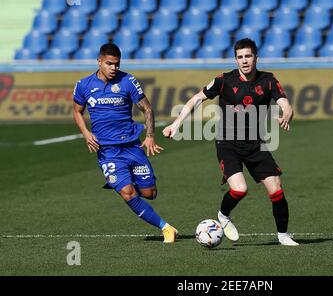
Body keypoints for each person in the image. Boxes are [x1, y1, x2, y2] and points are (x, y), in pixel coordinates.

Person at [163, 38, 298, 246]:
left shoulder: (268, 80)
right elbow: (196, 99)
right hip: (228, 143)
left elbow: (285, 103)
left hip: (256, 144)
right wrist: (176, 124)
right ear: (236, 59)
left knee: (276, 189)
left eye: (248, 56)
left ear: (256, 58)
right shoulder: (224, 80)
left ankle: (283, 235)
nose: (244, 61)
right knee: (240, 189)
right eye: (240, 57)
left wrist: (286, 114)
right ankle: (223, 215)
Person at [72, 43, 178, 243]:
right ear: (99, 61)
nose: (113, 68)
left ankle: (128, 183)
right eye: (109, 64)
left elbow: (146, 108)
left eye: (117, 64)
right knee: (127, 193)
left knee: (149, 193)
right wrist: (86, 133)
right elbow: (77, 111)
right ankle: (166, 228)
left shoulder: (127, 81)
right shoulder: (84, 85)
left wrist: (150, 136)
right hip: (107, 151)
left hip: (132, 146)